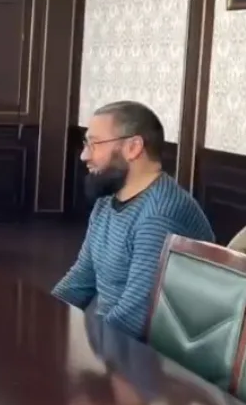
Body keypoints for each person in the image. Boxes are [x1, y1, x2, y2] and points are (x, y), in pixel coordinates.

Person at [53, 101, 214, 339]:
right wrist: (44, 319)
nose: (84, 155)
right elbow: (81, 279)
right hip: (113, 341)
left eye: (95, 144)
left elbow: (134, 318)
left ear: (133, 147)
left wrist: (84, 351)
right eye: (86, 144)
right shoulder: (107, 201)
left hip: (149, 354)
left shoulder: (159, 214)